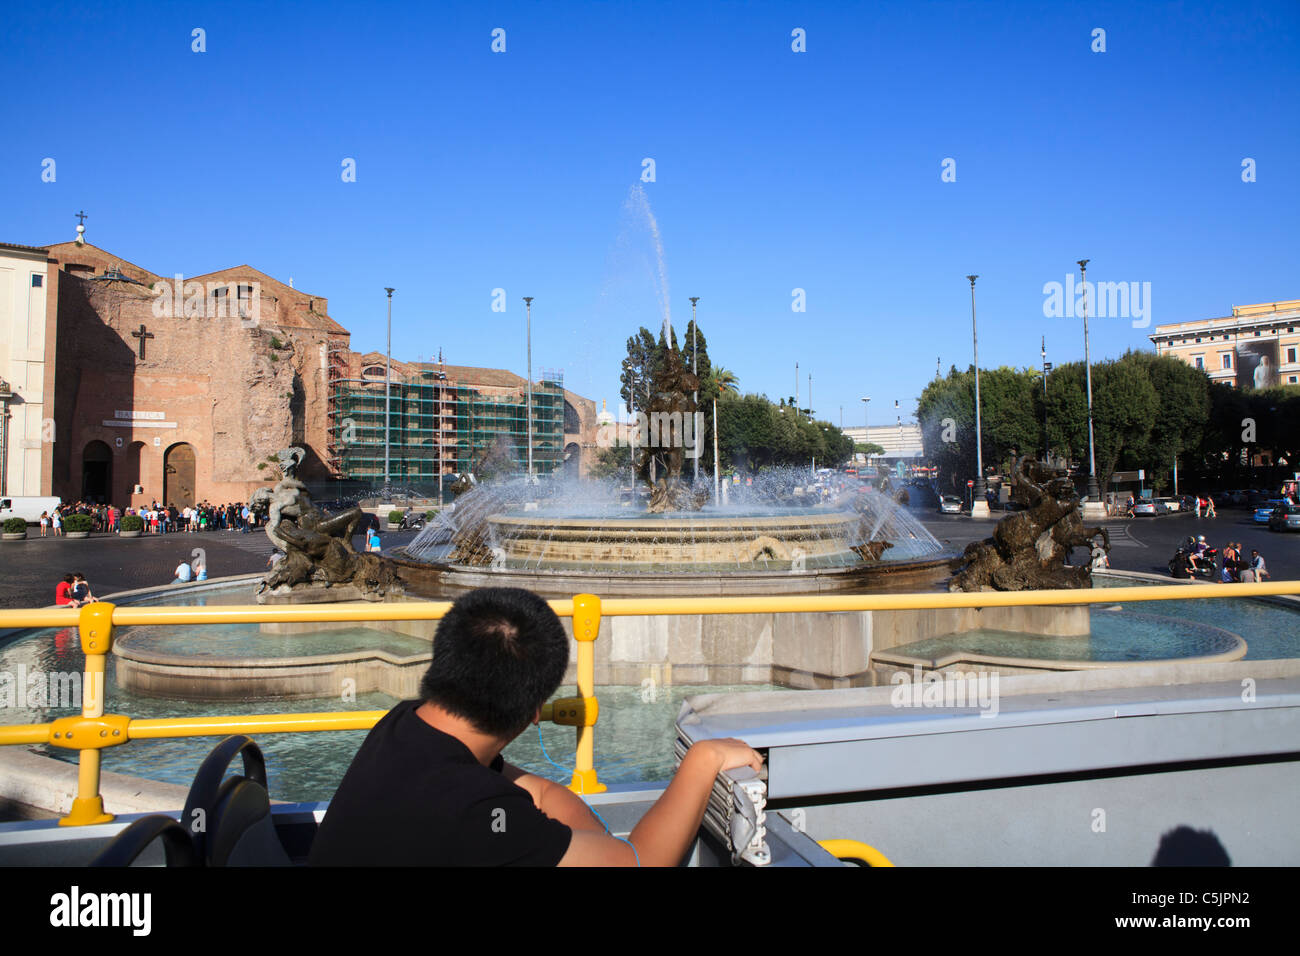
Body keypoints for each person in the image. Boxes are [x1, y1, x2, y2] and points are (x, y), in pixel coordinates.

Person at [309, 587, 762, 866]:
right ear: (534, 712)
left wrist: (588, 844)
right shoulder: (479, 816)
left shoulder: (404, 724)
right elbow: (638, 863)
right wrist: (704, 760)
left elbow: (538, 794)